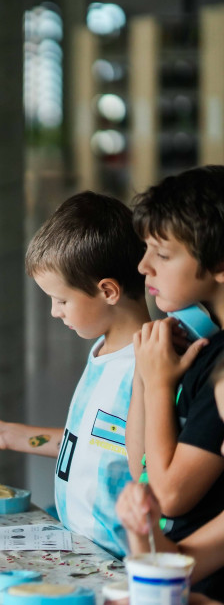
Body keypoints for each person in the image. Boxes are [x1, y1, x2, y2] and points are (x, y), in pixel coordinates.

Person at [0, 191, 149, 557]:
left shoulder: (148, 366)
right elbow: (92, 445)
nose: (55, 312)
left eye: (61, 300)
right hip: (80, 547)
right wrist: (8, 435)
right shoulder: (103, 354)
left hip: (119, 561)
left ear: (107, 291)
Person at [120, 165, 224, 598]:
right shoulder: (203, 343)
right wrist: (148, 377)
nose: (143, 266)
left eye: (162, 255)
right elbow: (140, 469)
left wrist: (159, 385)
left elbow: (168, 492)